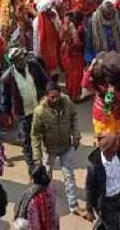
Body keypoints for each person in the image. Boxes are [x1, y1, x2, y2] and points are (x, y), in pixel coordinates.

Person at [30, 82, 82, 216]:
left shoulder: (66, 102)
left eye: (57, 96)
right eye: (52, 97)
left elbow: (74, 117)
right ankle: (46, 204)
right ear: (47, 96)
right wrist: (37, 158)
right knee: (46, 177)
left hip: (66, 146)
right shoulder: (40, 112)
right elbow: (35, 135)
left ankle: (73, 205)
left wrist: (76, 135)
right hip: (50, 150)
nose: (55, 99)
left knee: (69, 176)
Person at [84, 133, 120, 229]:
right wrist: (89, 210)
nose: (118, 148)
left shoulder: (118, 155)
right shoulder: (94, 167)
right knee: (112, 225)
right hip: (106, 203)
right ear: (107, 149)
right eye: (115, 146)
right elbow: (89, 189)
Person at [15, 165, 61, 230]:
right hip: (53, 223)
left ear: (33, 179)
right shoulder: (52, 187)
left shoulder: (31, 198)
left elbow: (35, 224)